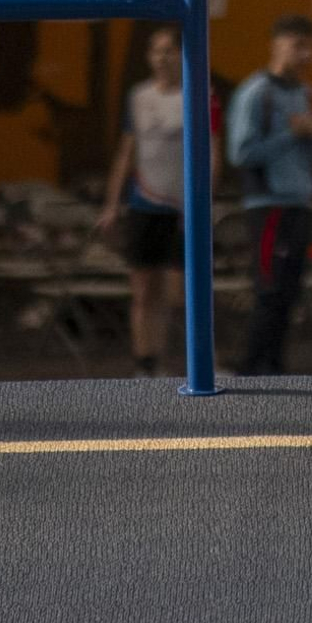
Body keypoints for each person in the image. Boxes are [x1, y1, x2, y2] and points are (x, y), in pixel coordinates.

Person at [227, 14, 312, 376]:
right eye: (298, 45)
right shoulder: (256, 92)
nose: (305, 55)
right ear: (277, 45)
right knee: (268, 290)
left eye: (310, 47)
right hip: (268, 205)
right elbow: (240, 153)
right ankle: (251, 369)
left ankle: (275, 367)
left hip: (299, 203)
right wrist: (291, 134)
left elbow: (310, 149)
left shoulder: (305, 93)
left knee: (289, 293)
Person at [96, 24, 198, 377]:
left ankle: (171, 359)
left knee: (175, 294)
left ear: (181, 54)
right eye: (156, 51)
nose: (161, 58)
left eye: (168, 50)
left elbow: (210, 152)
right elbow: (127, 152)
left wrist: (202, 201)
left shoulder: (196, 95)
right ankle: (145, 364)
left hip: (180, 208)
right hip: (144, 205)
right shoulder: (139, 96)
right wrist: (112, 204)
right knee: (142, 291)